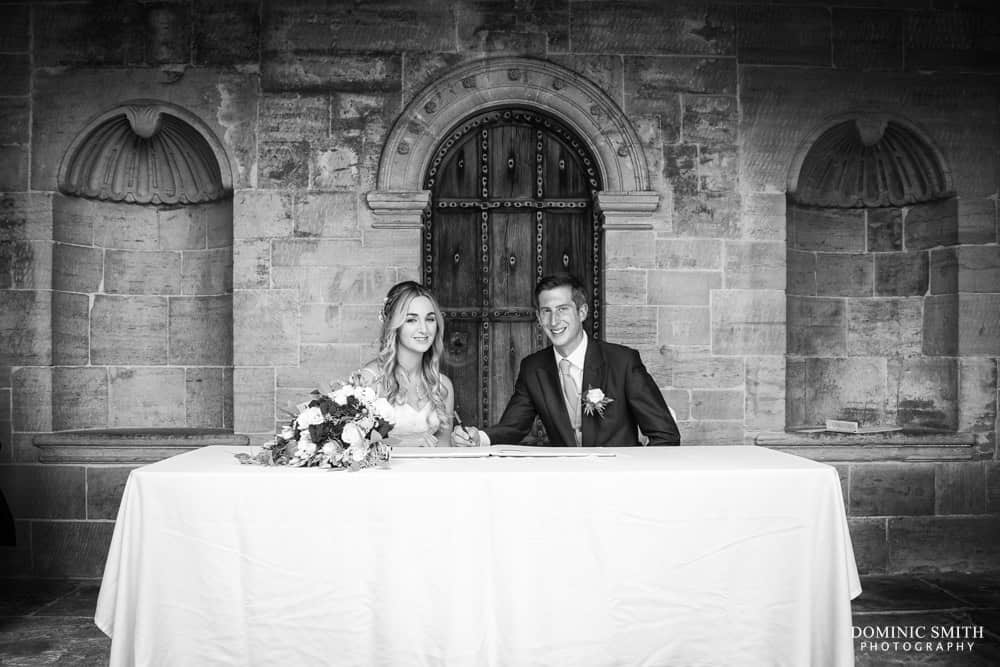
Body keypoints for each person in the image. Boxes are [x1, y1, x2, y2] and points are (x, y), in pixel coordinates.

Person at [452, 273, 681, 447]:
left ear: (582, 312)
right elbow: (513, 427)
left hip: (619, 483)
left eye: (563, 309)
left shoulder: (622, 361)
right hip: (564, 485)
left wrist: (639, 477)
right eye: (546, 311)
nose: (554, 320)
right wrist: (479, 437)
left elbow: (666, 434)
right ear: (539, 317)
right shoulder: (533, 368)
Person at [357, 281, 455, 446]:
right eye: (411, 320)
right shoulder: (369, 381)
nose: (424, 329)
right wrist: (405, 443)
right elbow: (354, 447)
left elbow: (444, 450)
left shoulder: (442, 385)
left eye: (430, 319)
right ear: (394, 325)